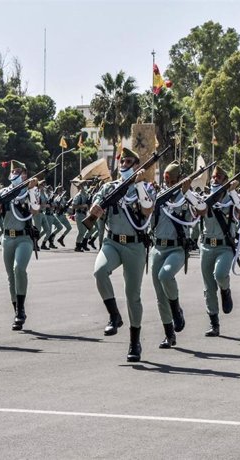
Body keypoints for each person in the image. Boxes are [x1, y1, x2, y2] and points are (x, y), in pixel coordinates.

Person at [89, 148, 154, 362]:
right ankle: (114, 315)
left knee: (133, 296)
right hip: (112, 242)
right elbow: (96, 203)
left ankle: (134, 342)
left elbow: (146, 211)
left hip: (134, 246)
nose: (124, 164)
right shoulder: (109, 187)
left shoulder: (145, 188)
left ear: (137, 166)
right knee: (99, 272)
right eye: (122, 161)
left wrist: (137, 184)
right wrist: (95, 209)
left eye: (129, 161)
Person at [0, 160, 41, 331]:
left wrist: (32, 189)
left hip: (24, 238)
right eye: (14, 171)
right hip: (7, 238)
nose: (17, 174)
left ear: (25, 174)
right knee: (11, 277)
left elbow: (35, 210)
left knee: (19, 269)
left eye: (20, 171)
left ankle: (21, 309)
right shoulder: (3, 193)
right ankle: (17, 312)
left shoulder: (29, 191)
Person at [149, 162, 195, 349]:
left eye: (170, 178)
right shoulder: (158, 196)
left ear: (177, 178)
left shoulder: (185, 197)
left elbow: (197, 213)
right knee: (160, 296)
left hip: (176, 249)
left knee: (165, 275)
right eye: (165, 177)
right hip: (157, 248)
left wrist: (187, 193)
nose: (167, 180)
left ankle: (176, 310)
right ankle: (169, 334)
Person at [198, 165, 240, 337]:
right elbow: (197, 211)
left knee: (220, 275)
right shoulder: (205, 198)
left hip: (224, 246)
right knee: (208, 287)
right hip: (206, 246)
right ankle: (214, 323)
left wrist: (233, 192)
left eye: (219, 178)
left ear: (226, 181)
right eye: (213, 177)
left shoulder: (234, 199)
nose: (214, 180)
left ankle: (225, 290)